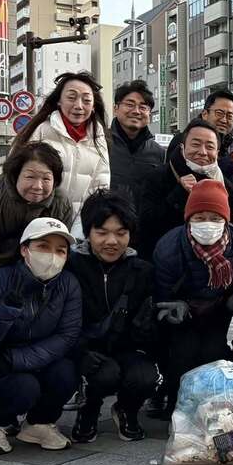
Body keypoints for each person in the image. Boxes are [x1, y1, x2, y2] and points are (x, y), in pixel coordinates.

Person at [0, 218, 81, 455]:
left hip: (26, 360)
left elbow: (67, 336)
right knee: (23, 386)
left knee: (67, 372)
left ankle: (38, 423)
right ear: (24, 249)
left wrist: (16, 359)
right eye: (43, 247)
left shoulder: (68, 284)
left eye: (61, 250)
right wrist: (6, 310)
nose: (52, 256)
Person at [151, 179, 233, 414]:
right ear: (188, 219)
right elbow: (161, 293)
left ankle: (213, 407)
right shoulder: (168, 248)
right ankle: (175, 404)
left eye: (215, 218)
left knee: (214, 354)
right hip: (184, 312)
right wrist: (175, 307)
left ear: (227, 221)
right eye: (199, 218)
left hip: (218, 311)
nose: (207, 224)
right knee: (182, 353)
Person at [66, 189, 160, 443]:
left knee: (145, 378)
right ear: (88, 233)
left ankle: (126, 410)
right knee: (103, 374)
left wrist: (148, 329)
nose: (112, 241)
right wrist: (78, 351)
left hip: (127, 347)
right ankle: (89, 408)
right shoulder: (71, 267)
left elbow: (150, 328)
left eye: (121, 233)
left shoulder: (142, 271)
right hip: (88, 348)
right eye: (102, 233)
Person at [13, 71, 110, 237]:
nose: (79, 106)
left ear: (93, 106)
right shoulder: (41, 131)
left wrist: (80, 232)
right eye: (71, 98)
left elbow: (100, 188)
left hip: (78, 230)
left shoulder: (99, 139)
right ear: (59, 100)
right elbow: (17, 177)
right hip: (36, 225)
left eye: (86, 100)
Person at [0, 142, 74, 281]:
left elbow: (60, 251)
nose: (38, 186)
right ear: (15, 175)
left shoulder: (61, 203)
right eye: (30, 177)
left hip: (40, 274)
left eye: (46, 178)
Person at [136, 117, 233, 260]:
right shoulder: (157, 177)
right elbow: (146, 227)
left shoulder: (227, 190)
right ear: (183, 147)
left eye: (210, 147)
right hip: (164, 265)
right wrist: (178, 194)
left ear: (217, 152)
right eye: (195, 144)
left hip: (210, 266)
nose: (202, 152)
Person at [109, 80, 165, 207]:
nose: (136, 111)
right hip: (107, 222)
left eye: (143, 107)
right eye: (130, 104)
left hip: (145, 224)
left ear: (149, 114)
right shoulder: (100, 143)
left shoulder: (159, 153)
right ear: (115, 109)